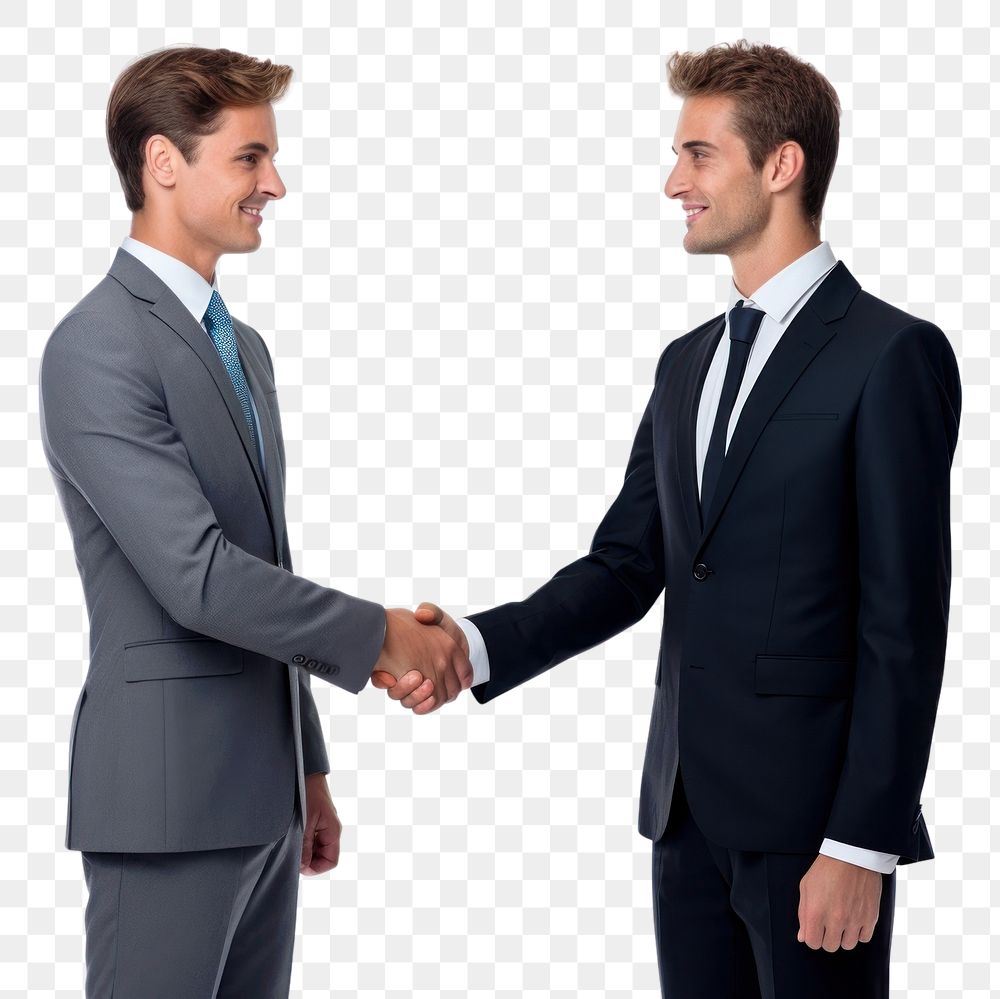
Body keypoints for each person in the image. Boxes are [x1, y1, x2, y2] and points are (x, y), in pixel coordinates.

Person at [381, 40, 962, 998]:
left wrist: (864, 840)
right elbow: (625, 565)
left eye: (699, 154)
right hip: (683, 814)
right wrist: (473, 648)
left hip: (817, 831)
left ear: (782, 166)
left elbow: (905, 624)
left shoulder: (891, 354)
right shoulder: (684, 363)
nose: (671, 182)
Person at [38, 45, 472, 998]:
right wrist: (383, 635)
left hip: (262, 801)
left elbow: (262, 565)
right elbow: (195, 575)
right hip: (165, 803)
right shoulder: (95, 345)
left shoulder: (246, 349)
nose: (275, 182)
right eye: (249, 158)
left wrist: (306, 768)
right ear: (163, 163)